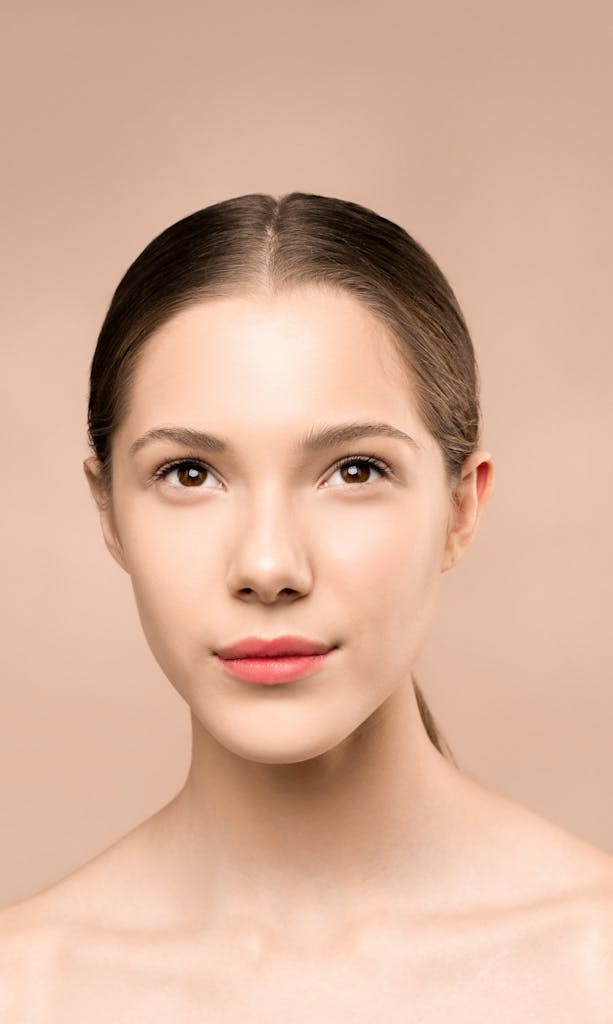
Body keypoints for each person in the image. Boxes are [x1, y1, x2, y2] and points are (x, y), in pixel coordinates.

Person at [1, 191, 611, 1018]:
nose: (267, 565)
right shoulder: (26, 985)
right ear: (107, 508)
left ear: (460, 508)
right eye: (188, 473)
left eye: (354, 471)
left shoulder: (592, 964)